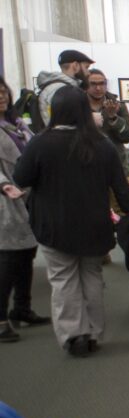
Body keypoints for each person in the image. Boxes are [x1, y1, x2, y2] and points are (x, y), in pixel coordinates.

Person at [13, 86, 129, 357]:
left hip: (53, 225)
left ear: (53, 111)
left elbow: (21, 178)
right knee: (91, 277)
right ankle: (93, 333)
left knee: (63, 280)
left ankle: (74, 336)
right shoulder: (101, 144)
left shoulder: (40, 142)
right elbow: (120, 187)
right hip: (94, 223)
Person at [0, 77, 50, 343]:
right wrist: (5, 185)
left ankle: (22, 307)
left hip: (27, 197)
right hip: (5, 201)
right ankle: (1, 319)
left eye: (3, 92)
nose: (2, 97)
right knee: (7, 260)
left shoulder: (17, 125)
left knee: (26, 256)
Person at [85, 69, 129, 194]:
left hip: (115, 165)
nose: (98, 88)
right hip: (88, 165)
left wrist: (114, 118)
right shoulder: (78, 106)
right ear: (86, 85)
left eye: (102, 83)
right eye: (93, 84)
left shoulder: (118, 106)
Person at [36, 49, 93, 128]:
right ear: (75, 65)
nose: (88, 72)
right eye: (86, 67)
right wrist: (91, 120)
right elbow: (59, 124)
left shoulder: (61, 87)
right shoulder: (59, 89)